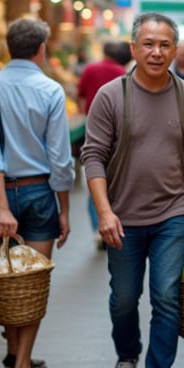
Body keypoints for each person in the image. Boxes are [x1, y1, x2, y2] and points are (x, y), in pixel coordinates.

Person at [80, 13, 184, 368]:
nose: (157, 52)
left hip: (173, 214)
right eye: (149, 44)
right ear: (135, 48)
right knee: (124, 299)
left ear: (176, 50)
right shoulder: (110, 96)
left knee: (166, 297)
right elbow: (93, 156)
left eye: (165, 45)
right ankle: (127, 355)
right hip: (122, 216)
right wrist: (104, 213)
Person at [0, 17, 73, 368]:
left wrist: (2, 205)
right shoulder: (50, 90)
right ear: (40, 50)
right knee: (31, 285)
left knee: (9, 280)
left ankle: (15, 356)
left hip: (3, 193)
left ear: (8, 48)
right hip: (39, 193)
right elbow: (60, 159)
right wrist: (63, 209)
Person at [76, 40, 132, 247]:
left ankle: (100, 227)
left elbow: (80, 96)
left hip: (94, 128)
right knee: (115, 179)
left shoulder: (90, 69)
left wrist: (87, 117)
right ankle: (117, 221)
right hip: (119, 133)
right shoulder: (122, 72)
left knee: (95, 176)